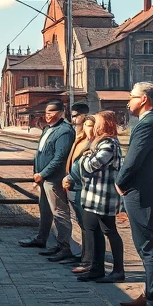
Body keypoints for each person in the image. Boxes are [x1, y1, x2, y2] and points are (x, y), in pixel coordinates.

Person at [115, 82, 153, 306]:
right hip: (142, 191)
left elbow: (133, 159)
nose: (128, 101)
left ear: (144, 99)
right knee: (145, 246)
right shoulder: (150, 122)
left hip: (140, 193)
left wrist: (120, 181)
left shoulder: (147, 124)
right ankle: (149, 294)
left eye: (132, 97)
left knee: (148, 247)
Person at [17, 100, 76, 263]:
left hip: (53, 179)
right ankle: (42, 238)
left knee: (59, 213)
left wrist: (42, 174)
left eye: (51, 112)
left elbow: (59, 158)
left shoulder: (64, 131)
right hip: (43, 177)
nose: (47, 115)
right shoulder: (48, 129)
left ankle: (64, 247)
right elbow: (41, 152)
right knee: (45, 210)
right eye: (46, 112)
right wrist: (37, 172)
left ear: (61, 112)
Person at [75, 111, 125, 283]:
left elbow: (90, 165)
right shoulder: (100, 142)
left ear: (104, 125)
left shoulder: (108, 144)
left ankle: (118, 270)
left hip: (103, 196)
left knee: (109, 231)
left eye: (97, 122)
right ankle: (97, 268)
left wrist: (85, 157)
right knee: (94, 230)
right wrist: (87, 156)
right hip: (94, 195)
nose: (94, 125)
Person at [63, 113, 95, 273]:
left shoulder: (92, 143)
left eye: (89, 125)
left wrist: (70, 177)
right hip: (74, 187)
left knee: (87, 225)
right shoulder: (79, 140)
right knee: (82, 224)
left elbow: (83, 167)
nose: (81, 128)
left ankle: (89, 259)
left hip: (82, 187)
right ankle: (84, 256)